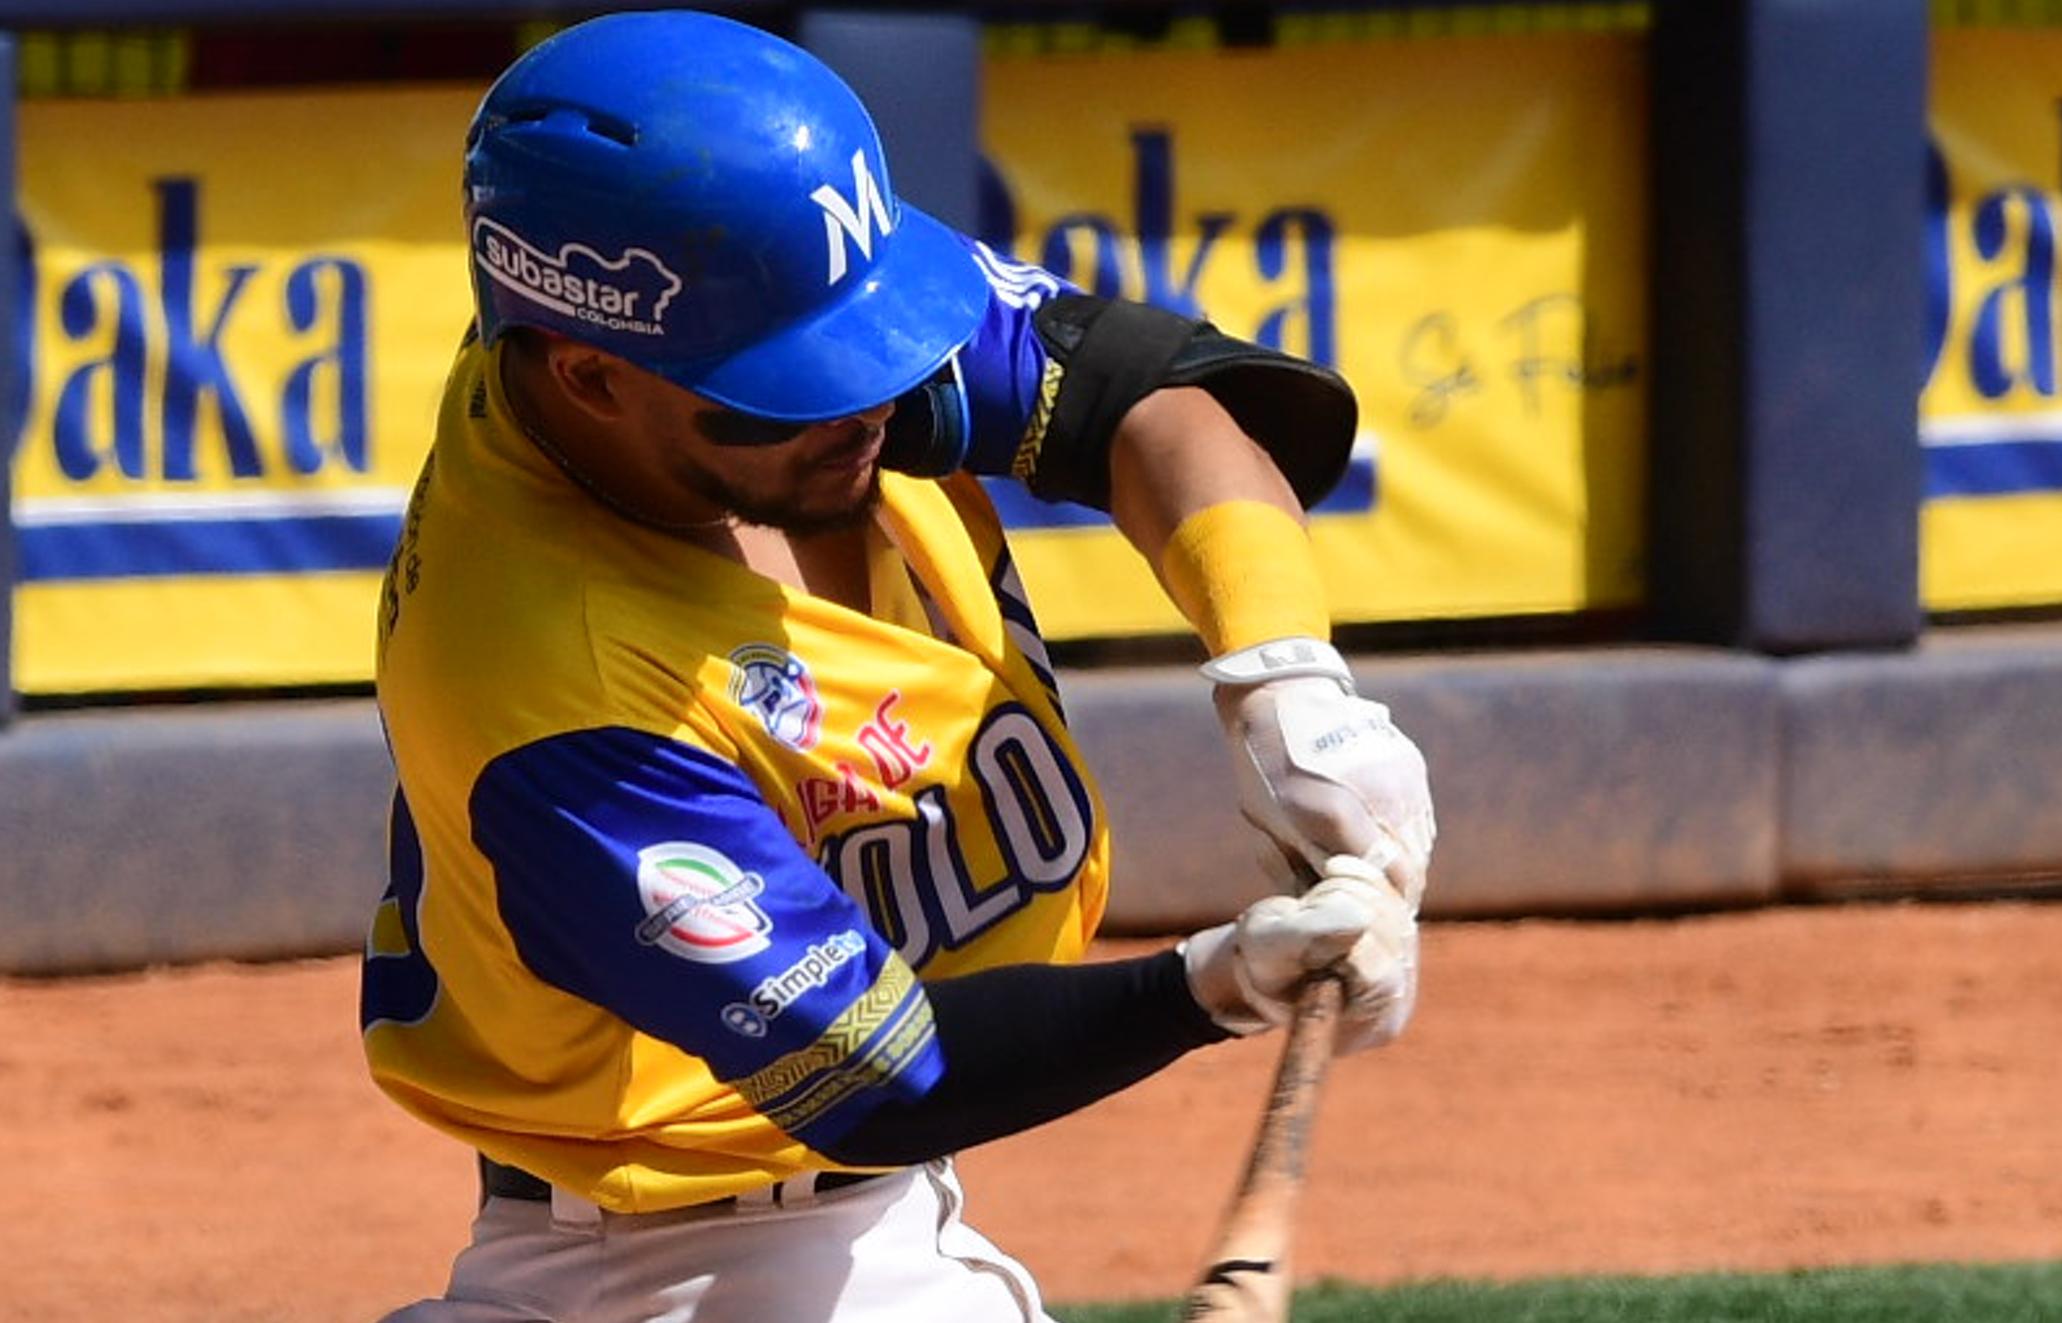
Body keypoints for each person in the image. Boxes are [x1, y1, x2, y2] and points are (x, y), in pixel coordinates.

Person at [360, 12, 1436, 1321]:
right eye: (798, 382)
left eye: (870, 342)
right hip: (670, 1270)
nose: (870, 400)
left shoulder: (724, 320)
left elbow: (1146, 399)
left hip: (851, 1216)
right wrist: (1217, 983)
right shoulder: (549, 684)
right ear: (587, 374)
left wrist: (1286, 689)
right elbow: (880, 1078)